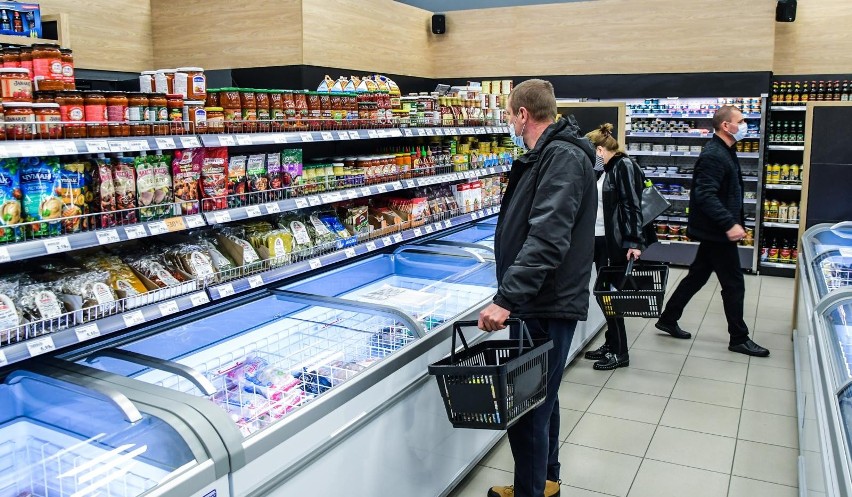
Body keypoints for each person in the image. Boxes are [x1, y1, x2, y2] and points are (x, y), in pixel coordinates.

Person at [478, 79, 596, 497]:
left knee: (528, 409)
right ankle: (544, 482)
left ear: (523, 114)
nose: (509, 121)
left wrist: (507, 298)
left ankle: (530, 492)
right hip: (542, 297)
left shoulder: (560, 157)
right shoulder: (551, 153)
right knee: (543, 397)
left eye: (510, 114)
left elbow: (547, 237)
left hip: (543, 300)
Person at [654, 105, 769, 357]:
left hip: (714, 230)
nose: (745, 125)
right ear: (726, 126)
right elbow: (705, 195)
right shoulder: (714, 155)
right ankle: (739, 338)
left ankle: (668, 317)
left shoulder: (726, 150)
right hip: (717, 231)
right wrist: (729, 224)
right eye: (741, 121)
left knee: (697, 275)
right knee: (734, 284)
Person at [583, 123, 650, 370]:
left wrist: (633, 241)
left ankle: (620, 352)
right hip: (601, 239)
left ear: (600, 150)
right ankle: (611, 344)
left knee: (610, 297)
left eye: (592, 154)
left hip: (615, 243)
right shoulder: (607, 169)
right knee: (605, 294)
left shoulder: (624, 166)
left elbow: (632, 205)